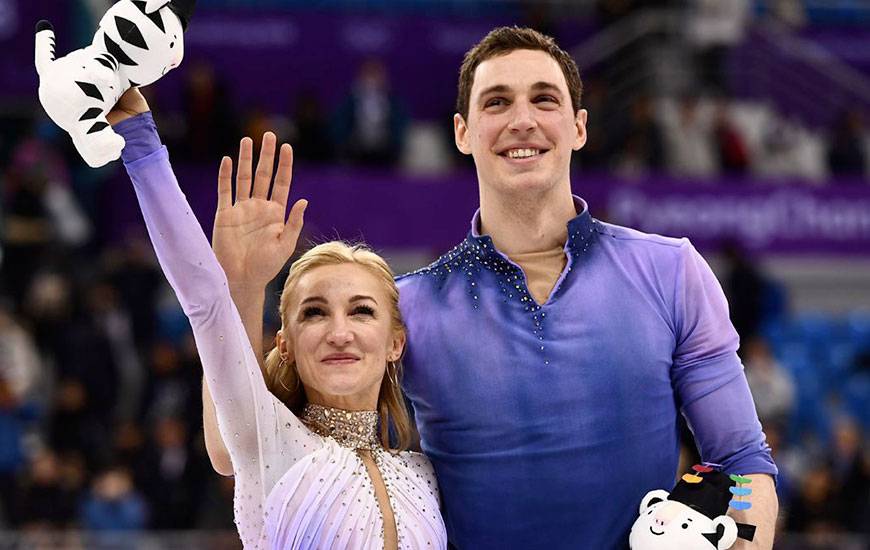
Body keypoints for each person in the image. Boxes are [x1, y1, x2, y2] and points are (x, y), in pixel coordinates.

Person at [205, 27, 778, 549]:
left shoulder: (670, 271)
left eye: (544, 99)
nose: (521, 120)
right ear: (463, 131)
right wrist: (238, 287)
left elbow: (742, 460)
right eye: (497, 101)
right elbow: (237, 448)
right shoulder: (410, 306)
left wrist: (746, 541)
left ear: (579, 126)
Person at [108, 90, 446, 549]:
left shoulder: (424, 472)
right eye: (314, 313)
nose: (339, 332)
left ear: (395, 342)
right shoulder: (271, 444)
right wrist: (140, 142)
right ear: (284, 342)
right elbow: (205, 301)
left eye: (362, 311)